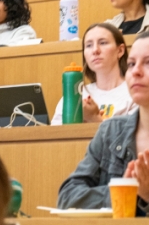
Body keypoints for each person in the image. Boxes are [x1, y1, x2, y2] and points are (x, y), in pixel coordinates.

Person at [58, 30, 149, 212]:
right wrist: (126, 193)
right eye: (131, 64)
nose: (136, 71)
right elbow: (68, 197)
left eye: (148, 63)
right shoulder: (110, 130)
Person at [52, 24, 135, 125]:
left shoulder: (136, 92)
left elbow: (133, 138)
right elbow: (56, 136)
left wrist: (94, 119)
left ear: (120, 50)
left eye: (103, 43)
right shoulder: (74, 96)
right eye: (89, 45)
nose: (95, 50)